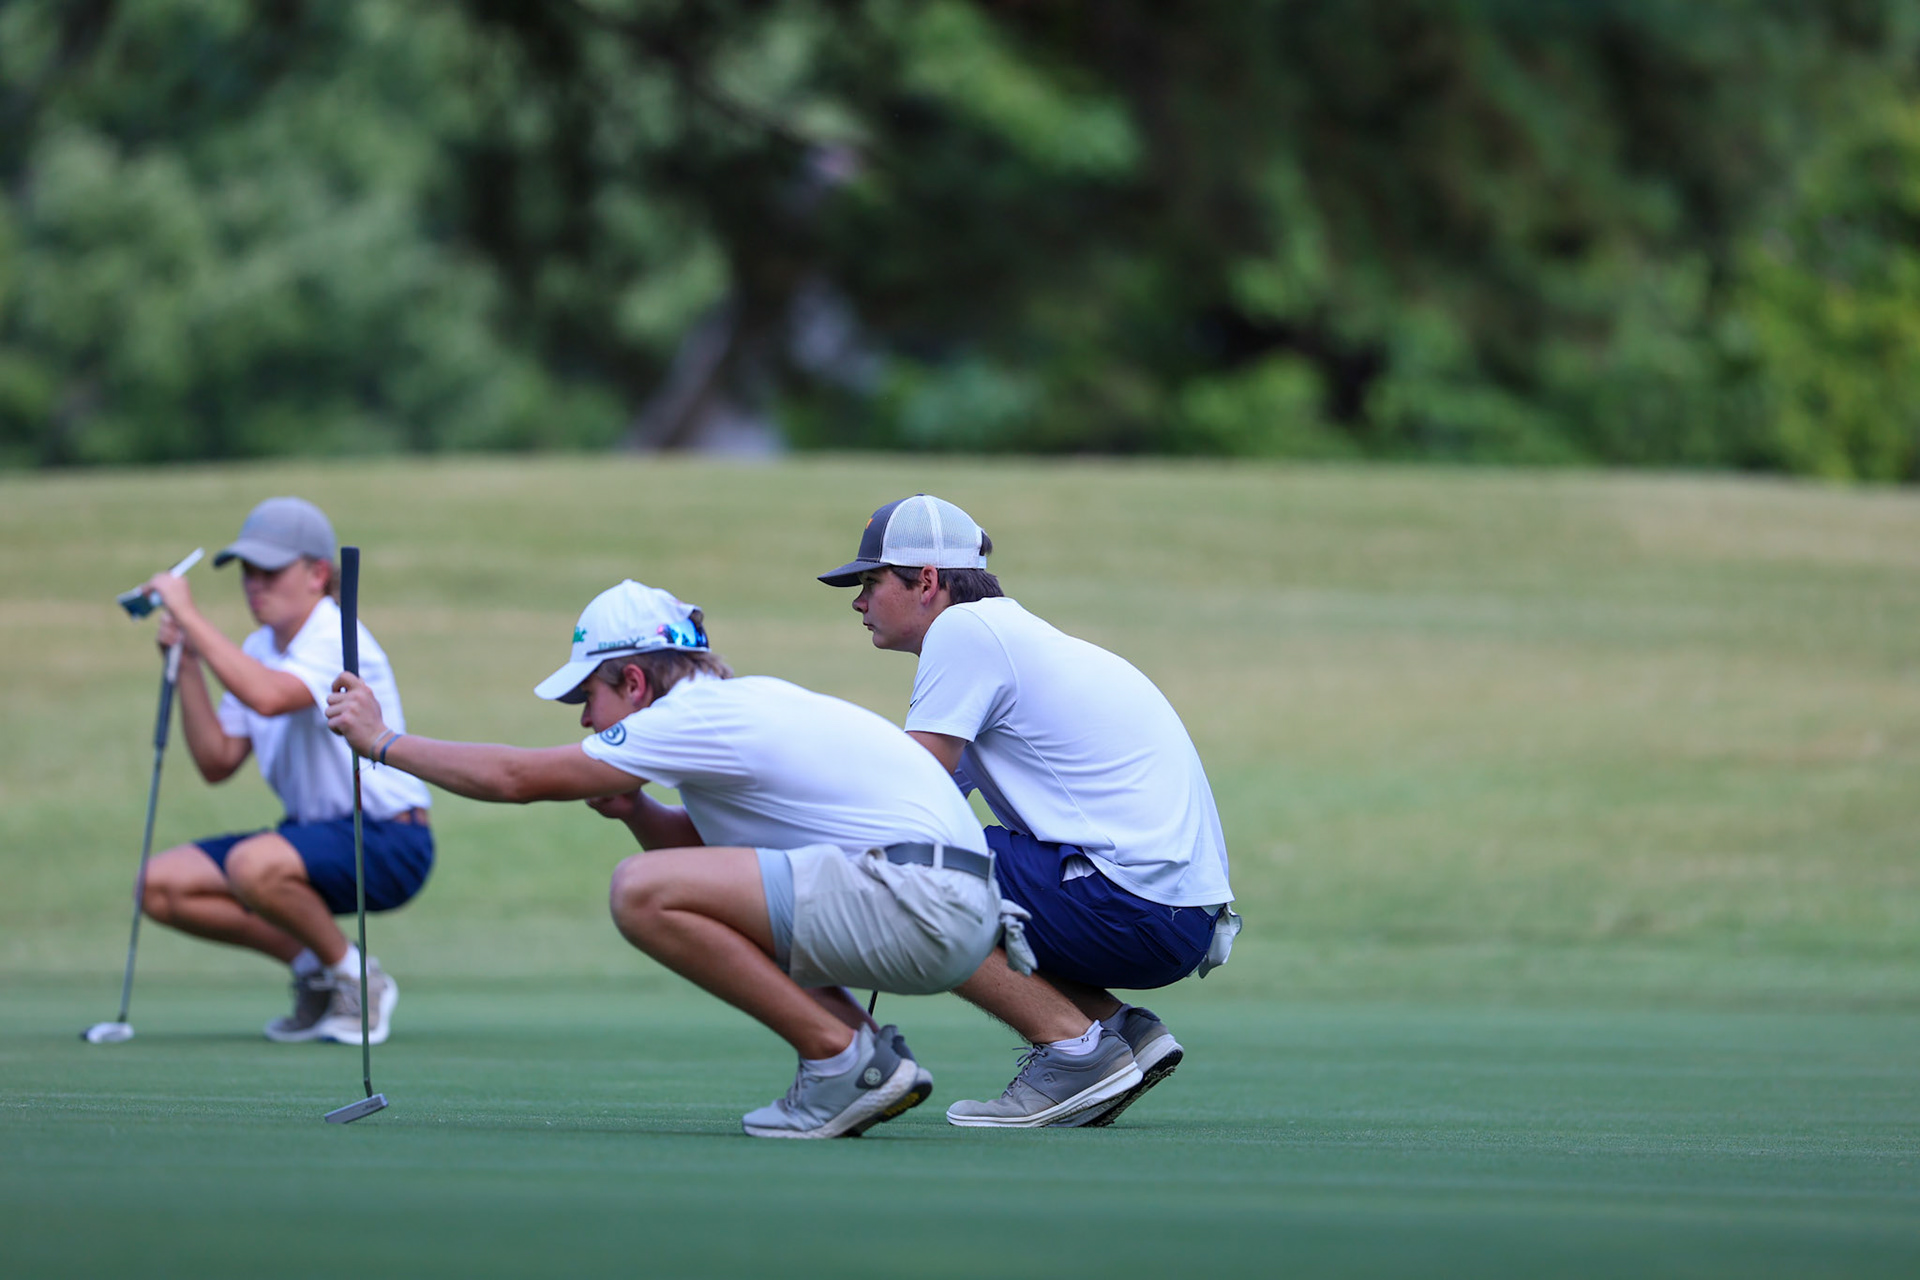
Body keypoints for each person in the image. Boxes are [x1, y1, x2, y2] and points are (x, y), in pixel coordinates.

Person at [325, 579, 1024, 1139]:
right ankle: (867, 1057)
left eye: (586, 695)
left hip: (920, 901)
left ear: (633, 681)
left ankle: (841, 1059)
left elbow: (518, 779)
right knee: (666, 884)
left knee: (638, 890)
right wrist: (637, 811)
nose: (583, 720)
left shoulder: (695, 716)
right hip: (954, 909)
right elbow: (723, 878)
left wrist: (382, 741)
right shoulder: (732, 710)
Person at [818, 493, 1240, 1128]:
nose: (858, 601)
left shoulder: (965, 631)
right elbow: (930, 799)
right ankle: (1114, 1029)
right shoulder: (1004, 635)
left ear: (926, 581)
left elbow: (906, 789)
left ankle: (1074, 1052)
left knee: (893, 873)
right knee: (910, 859)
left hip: (1133, 908)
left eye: (871, 582)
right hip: (1174, 919)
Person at [136, 496, 433, 1046]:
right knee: (159, 886)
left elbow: (270, 698)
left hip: (391, 838)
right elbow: (217, 760)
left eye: (269, 571)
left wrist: (192, 617)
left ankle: (359, 979)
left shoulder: (335, 636)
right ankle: (316, 971)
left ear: (317, 573)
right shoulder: (256, 647)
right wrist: (189, 665)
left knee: (253, 865)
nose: (255, 584)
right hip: (314, 838)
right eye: (248, 571)